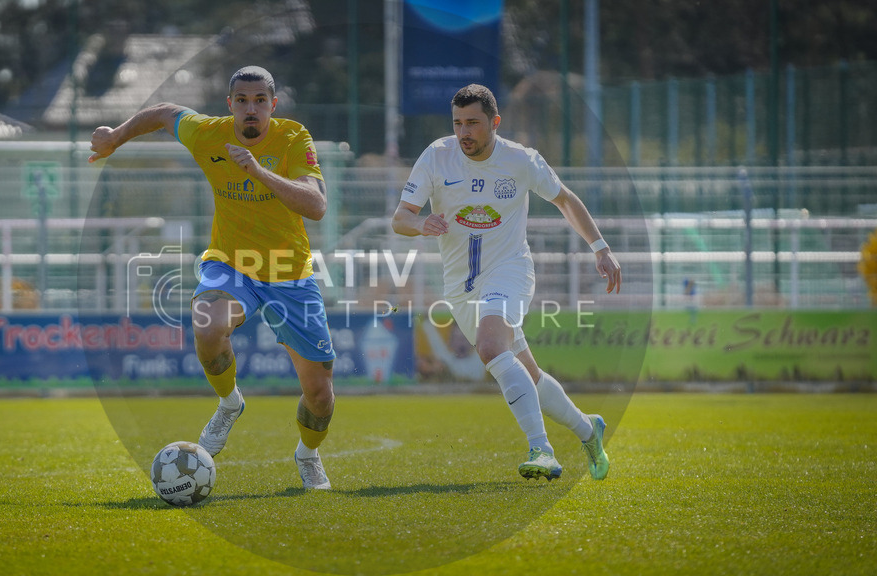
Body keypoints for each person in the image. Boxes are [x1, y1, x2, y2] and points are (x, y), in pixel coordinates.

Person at [89, 66, 335, 490]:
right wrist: (115, 138)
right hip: (230, 263)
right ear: (230, 105)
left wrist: (257, 171)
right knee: (208, 324)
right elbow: (165, 114)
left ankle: (308, 454)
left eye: (260, 101)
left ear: (273, 106)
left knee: (320, 396)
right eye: (242, 101)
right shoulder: (208, 133)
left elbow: (316, 205)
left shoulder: (294, 137)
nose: (251, 109)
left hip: (288, 272)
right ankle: (229, 402)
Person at [392, 84, 621, 482]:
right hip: (461, 284)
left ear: (494, 123)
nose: (464, 132)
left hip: (510, 270)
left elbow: (565, 199)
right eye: (458, 123)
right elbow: (400, 217)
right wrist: (419, 223)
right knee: (527, 373)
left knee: (490, 345)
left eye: (473, 124)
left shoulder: (520, 160)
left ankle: (542, 449)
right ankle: (589, 428)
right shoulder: (436, 156)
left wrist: (600, 247)